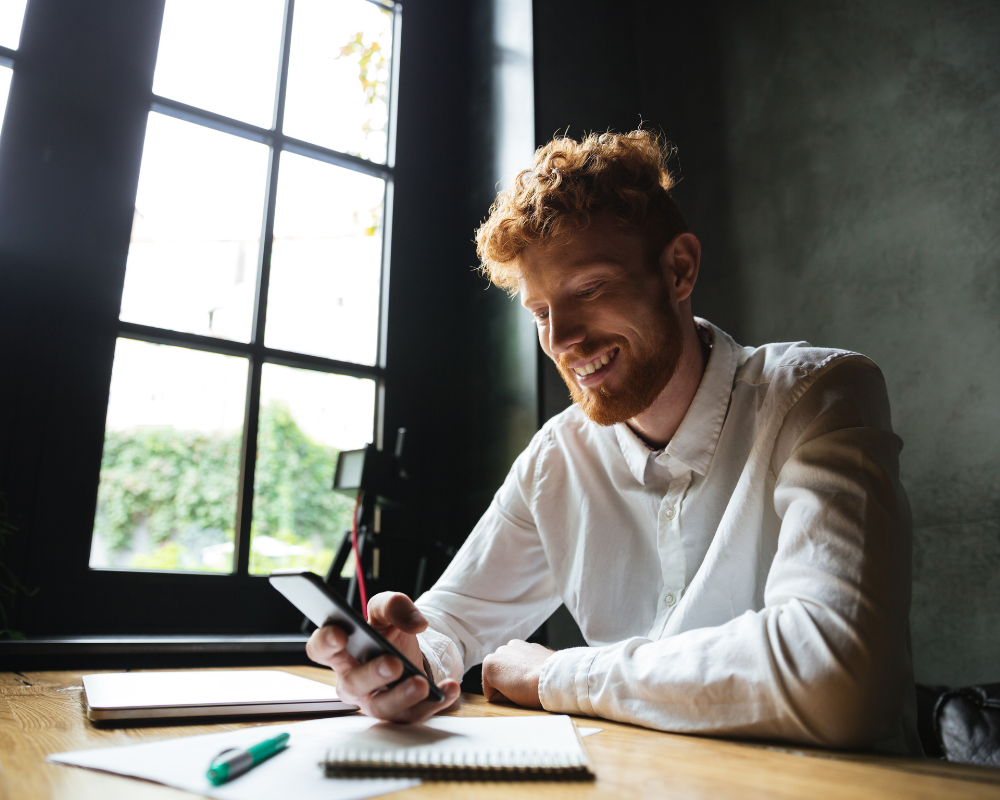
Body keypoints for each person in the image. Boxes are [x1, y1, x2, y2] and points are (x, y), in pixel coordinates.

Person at [307, 129, 920, 753]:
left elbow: (838, 678)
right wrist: (410, 658)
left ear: (678, 269)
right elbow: (452, 621)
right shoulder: (556, 459)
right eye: (541, 311)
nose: (563, 338)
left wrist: (555, 675)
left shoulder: (819, 395)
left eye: (590, 289)